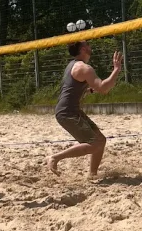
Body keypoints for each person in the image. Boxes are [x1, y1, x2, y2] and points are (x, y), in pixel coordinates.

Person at [46, 41, 122, 177]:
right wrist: (116, 69)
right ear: (82, 49)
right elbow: (104, 88)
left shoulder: (73, 65)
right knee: (94, 144)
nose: (90, 46)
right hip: (67, 112)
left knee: (101, 140)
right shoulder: (84, 68)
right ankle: (55, 157)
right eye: (87, 44)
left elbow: (78, 87)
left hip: (72, 110)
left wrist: (90, 90)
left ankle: (92, 174)